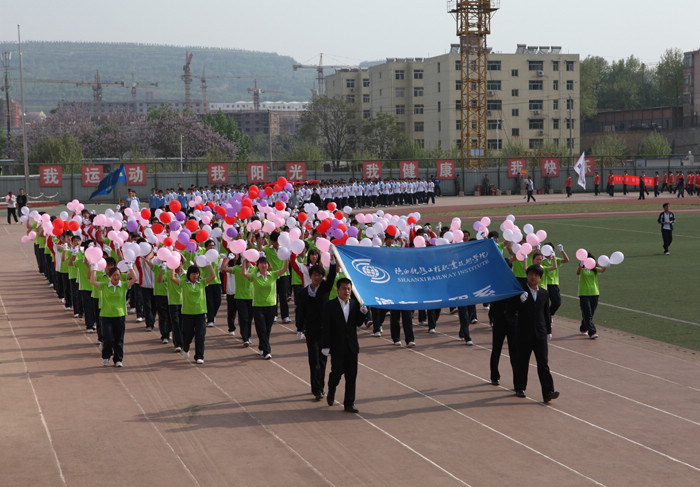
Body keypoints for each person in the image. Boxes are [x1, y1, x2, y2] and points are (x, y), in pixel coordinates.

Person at [513, 265, 559, 403]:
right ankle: (520, 387)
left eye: (536, 275)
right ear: (527, 276)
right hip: (524, 333)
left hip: (540, 334)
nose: (533, 277)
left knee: (543, 363)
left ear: (540, 278)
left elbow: (546, 314)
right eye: (530, 274)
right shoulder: (520, 292)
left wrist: (548, 331)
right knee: (522, 362)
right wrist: (519, 301)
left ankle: (548, 392)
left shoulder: (544, 293)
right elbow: (512, 309)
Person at [322, 278, 368, 413]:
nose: (347, 291)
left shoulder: (354, 304)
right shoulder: (330, 305)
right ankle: (332, 388)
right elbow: (326, 327)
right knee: (337, 373)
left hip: (352, 346)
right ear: (338, 290)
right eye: (344, 288)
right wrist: (325, 346)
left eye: (349, 289)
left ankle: (349, 403)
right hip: (337, 346)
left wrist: (363, 313)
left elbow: (358, 323)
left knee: (351, 375)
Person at [297, 263, 337, 401]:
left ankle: (321, 386)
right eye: (315, 275)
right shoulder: (304, 293)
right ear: (310, 276)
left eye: (320, 275)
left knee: (323, 360)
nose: (317, 277)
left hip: (325, 331)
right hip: (311, 331)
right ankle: (317, 390)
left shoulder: (325, 288)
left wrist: (332, 261)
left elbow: (332, 277)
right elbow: (300, 311)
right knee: (314, 361)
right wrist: (299, 328)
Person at [89, 264, 137, 367]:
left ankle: (118, 359)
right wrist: (94, 268)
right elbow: (92, 281)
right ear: (110, 276)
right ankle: (106, 357)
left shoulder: (123, 285)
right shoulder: (104, 285)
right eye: (114, 275)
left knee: (119, 339)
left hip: (120, 315)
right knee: (108, 338)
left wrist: (130, 266)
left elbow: (135, 279)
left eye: (118, 275)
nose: (116, 277)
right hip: (106, 315)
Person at [242, 256, 289, 360]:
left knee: (267, 329)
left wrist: (286, 258)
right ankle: (267, 351)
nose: (264, 265)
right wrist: (244, 261)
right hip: (258, 306)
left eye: (265, 263)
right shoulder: (254, 276)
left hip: (271, 306)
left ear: (268, 265)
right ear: (258, 265)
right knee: (261, 329)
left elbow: (285, 269)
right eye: (261, 263)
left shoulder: (273, 275)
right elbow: (244, 273)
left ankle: (262, 346)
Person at [170, 263, 217, 364]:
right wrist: (172, 266)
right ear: (189, 275)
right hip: (187, 313)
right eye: (193, 273)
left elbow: (213, 276)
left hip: (200, 312)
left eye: (197, 273)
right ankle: (186, 347)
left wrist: (209, 264)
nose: (195, 275)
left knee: (200, 335)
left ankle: (199, 356)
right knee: (187, 335)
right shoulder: (184, 283)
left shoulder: (202, 282)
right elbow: (172, 278)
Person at [577, 253, 606, 339]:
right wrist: (581, 263)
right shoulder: (582, 270)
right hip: (584, 294)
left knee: (590, 314)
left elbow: (602, 270)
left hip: (595, 293)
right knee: (587, 313)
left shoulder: (594, 269)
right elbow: (578, 272)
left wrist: (606, 265)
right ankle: (592, 332)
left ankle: (583, 328)